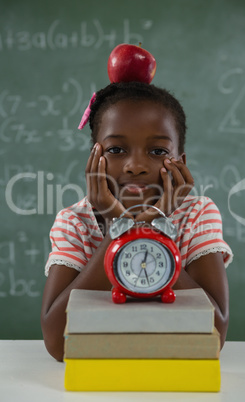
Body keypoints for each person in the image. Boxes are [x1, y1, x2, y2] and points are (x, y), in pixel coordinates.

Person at [41, 82, 233, 361]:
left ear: (181, 162)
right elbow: (58, 343)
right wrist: (119, 228)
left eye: (158, 152)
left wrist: (153, 226)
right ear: (95, 159)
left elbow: (214, 333)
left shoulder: (197, 215)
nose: (135, 165)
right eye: (117, 150)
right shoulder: (74, 222)